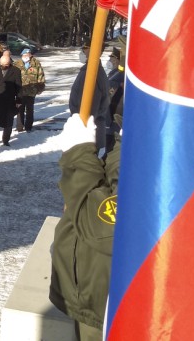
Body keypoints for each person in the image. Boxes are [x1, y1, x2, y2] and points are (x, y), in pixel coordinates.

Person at [50, 113, 121, 341]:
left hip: (110, 306)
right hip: (91, 294)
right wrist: (123, 143)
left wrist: (79, 155)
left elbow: (103, 226)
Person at [69, 43, 110, 152]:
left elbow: (92, 104)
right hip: (87, 129)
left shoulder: (92, 72)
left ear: (93, 50)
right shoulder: (90, 70)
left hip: (88, 131)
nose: (82, 52)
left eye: (85, 49)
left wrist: (83, 125)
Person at [13, 47, 46, 132]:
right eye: (24, 55)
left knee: (30, 109)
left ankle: (28, 127)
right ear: (21, 55)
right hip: (20, 91)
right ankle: (19, 126)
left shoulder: (36, 63)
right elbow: (12, 76)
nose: (26, 56)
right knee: (20, 109)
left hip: (31, 91)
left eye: (28, 55)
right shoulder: (16, 64)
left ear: (31, 55)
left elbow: (40, 75)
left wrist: (40, 87)